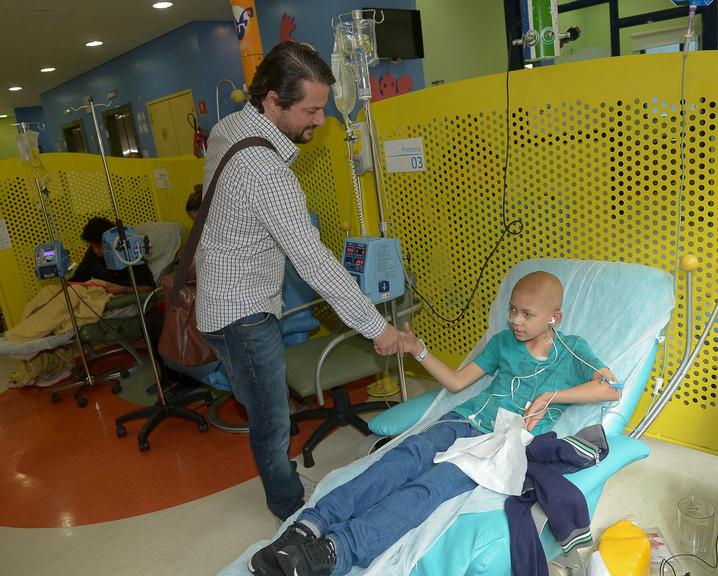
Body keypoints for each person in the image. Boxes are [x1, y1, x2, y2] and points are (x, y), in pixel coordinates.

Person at [249, 271, 621, 576]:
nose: (515, 321)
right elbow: (458, 382)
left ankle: (335, 551)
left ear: (554, 318)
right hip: (462, 420)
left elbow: (610, 389)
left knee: (427, 488)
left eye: (526, 314)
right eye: (512, 310)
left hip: (498, 444)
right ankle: (309, 526)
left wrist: (551, 396)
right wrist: (417, 349)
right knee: (400, 460)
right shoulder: (503, 343)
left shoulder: (572, 351)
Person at [195, 41, 402, 522]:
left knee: (259, 403)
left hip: (216, 302)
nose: (319, 120)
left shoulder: (230, 128)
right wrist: (379, 328)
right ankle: (289, 506)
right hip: (241, 313)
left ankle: (281, 480)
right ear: (272, 101)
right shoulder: (265, 170)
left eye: (322, 107)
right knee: (272, 420)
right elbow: (315, 262)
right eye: (310, 110)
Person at [70, 216, 154, 294]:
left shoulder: (129, 254)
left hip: (123, 296)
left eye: (98, 246)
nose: (95, 250)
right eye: (92, 246)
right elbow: (78, 278)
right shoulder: (92, 254)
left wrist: (122, 289)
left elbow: (149, 287)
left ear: (111, 241)